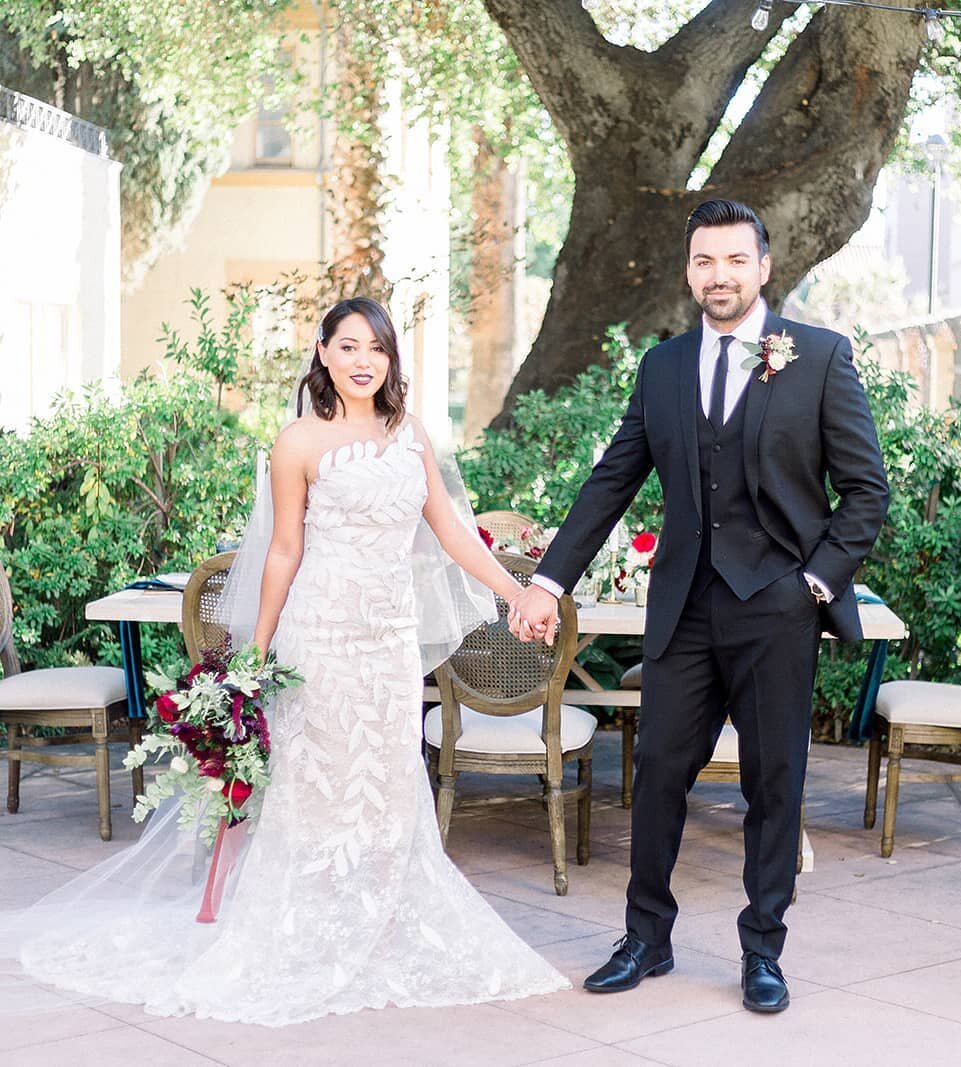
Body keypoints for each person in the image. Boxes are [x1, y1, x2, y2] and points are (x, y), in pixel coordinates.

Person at [1, 297, 568, 1025]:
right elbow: (284, 550)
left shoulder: (410, 435)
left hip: (388, 640)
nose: (364, 360)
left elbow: (455, 534)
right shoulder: (297, 440)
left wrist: (517, 592)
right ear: (323, 353)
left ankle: (383, 913)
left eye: (378, 348)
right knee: (315, 779)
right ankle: (303, 917)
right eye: (349, 345)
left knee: (388, 776)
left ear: (391, 360)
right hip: (321, 634)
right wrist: (256, 654)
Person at [509, 200, 889, 1013]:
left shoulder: (818, 356)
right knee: (656, 776)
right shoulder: (663, 367)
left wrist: (813, 583)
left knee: (773, 782)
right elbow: (613, 479)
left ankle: (763, 949)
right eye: (703, 262)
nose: (718, 275)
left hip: (776, 608)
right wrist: (549, 579)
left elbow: (865, 491)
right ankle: (646, 938)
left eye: (733, 260)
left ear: (762, 266)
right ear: (688, 271)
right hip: (682, 606)